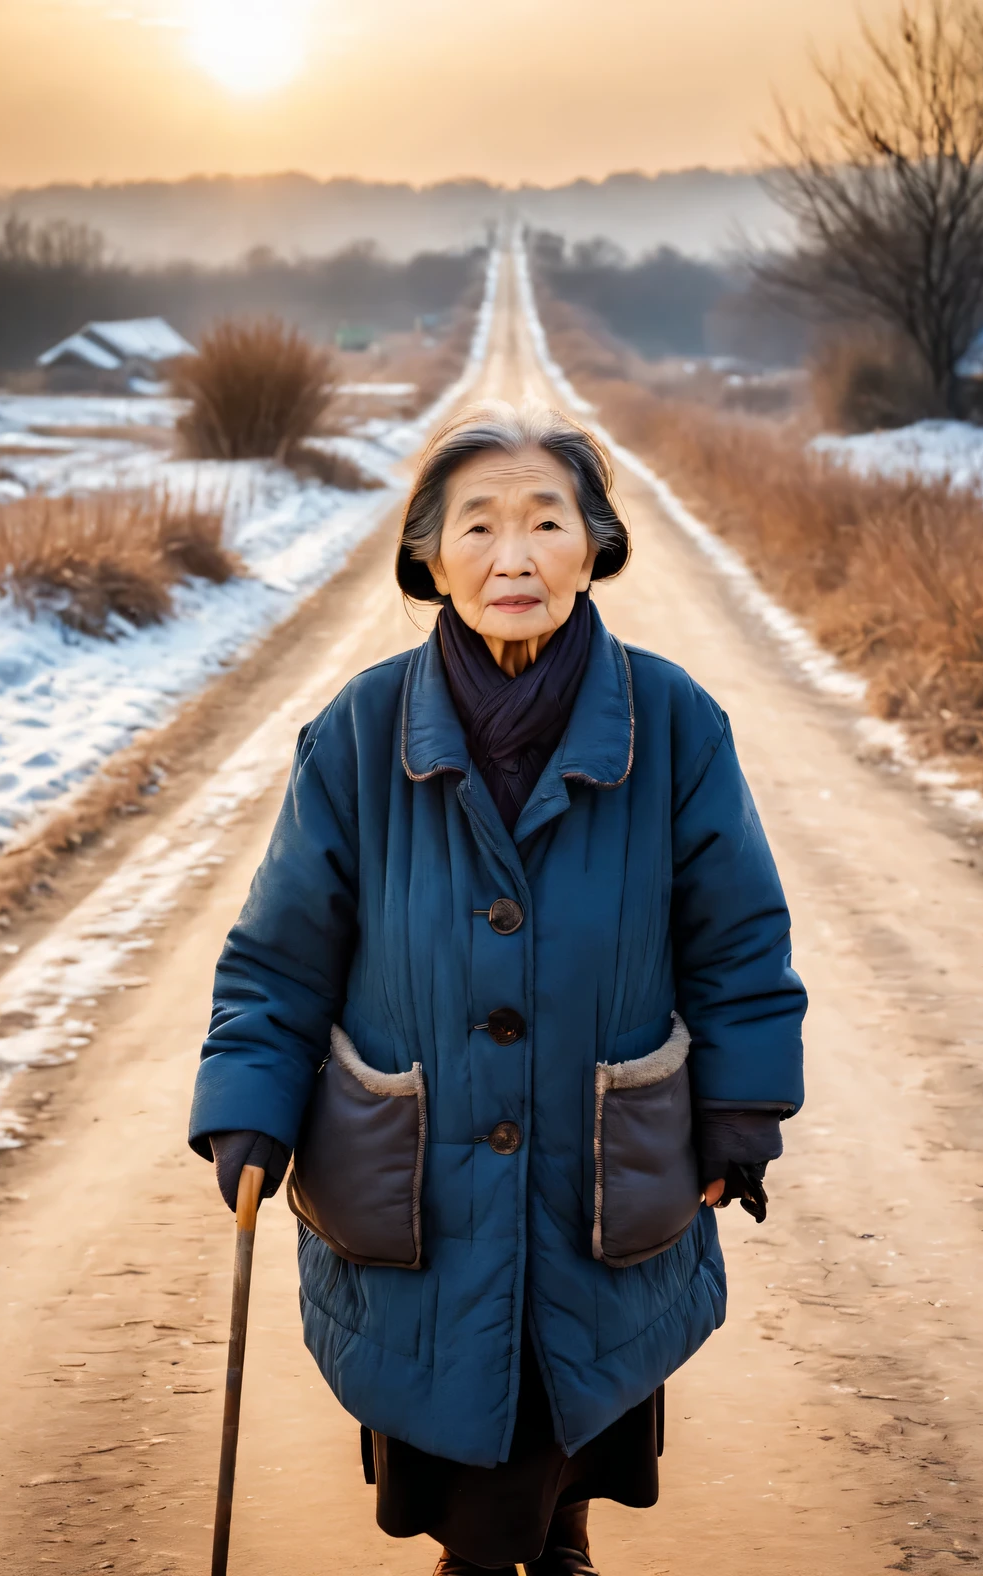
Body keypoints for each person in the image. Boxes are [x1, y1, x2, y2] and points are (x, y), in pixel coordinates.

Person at [189, 400, 806, 1575]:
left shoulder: (674, 723)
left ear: (596, 546)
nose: (511, 556)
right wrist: (247, 1104)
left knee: (567, 1434)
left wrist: (740, 1112)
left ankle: (558, 1539)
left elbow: (738, 941)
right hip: (419, 1178)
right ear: (428, 555)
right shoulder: (362, 732)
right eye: (476, 527)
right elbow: (279, 956)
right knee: (465, 1476)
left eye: (544, 522)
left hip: (601, 1171)